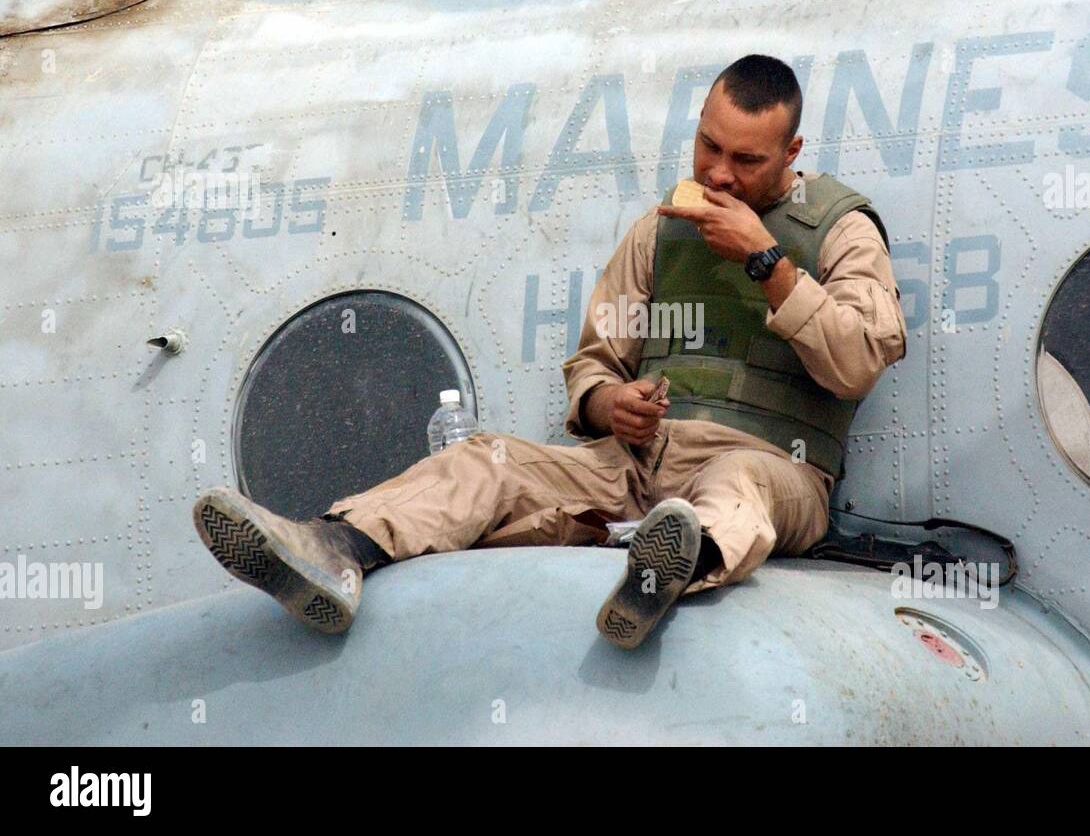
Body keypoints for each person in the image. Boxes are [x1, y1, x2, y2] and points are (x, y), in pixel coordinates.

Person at [192, 54, 907, 649]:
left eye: (745, 160)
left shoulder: (839, 231)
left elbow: (860, 360)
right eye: (707, 147)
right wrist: (609, 405)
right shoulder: (662, 233)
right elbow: (597, 363)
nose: (718, 175)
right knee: (485, 461)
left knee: (734, 488)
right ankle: (335, 551)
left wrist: (769, 264)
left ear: (791, 154)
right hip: (637, 469)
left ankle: (663, 574)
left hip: (776, 468)